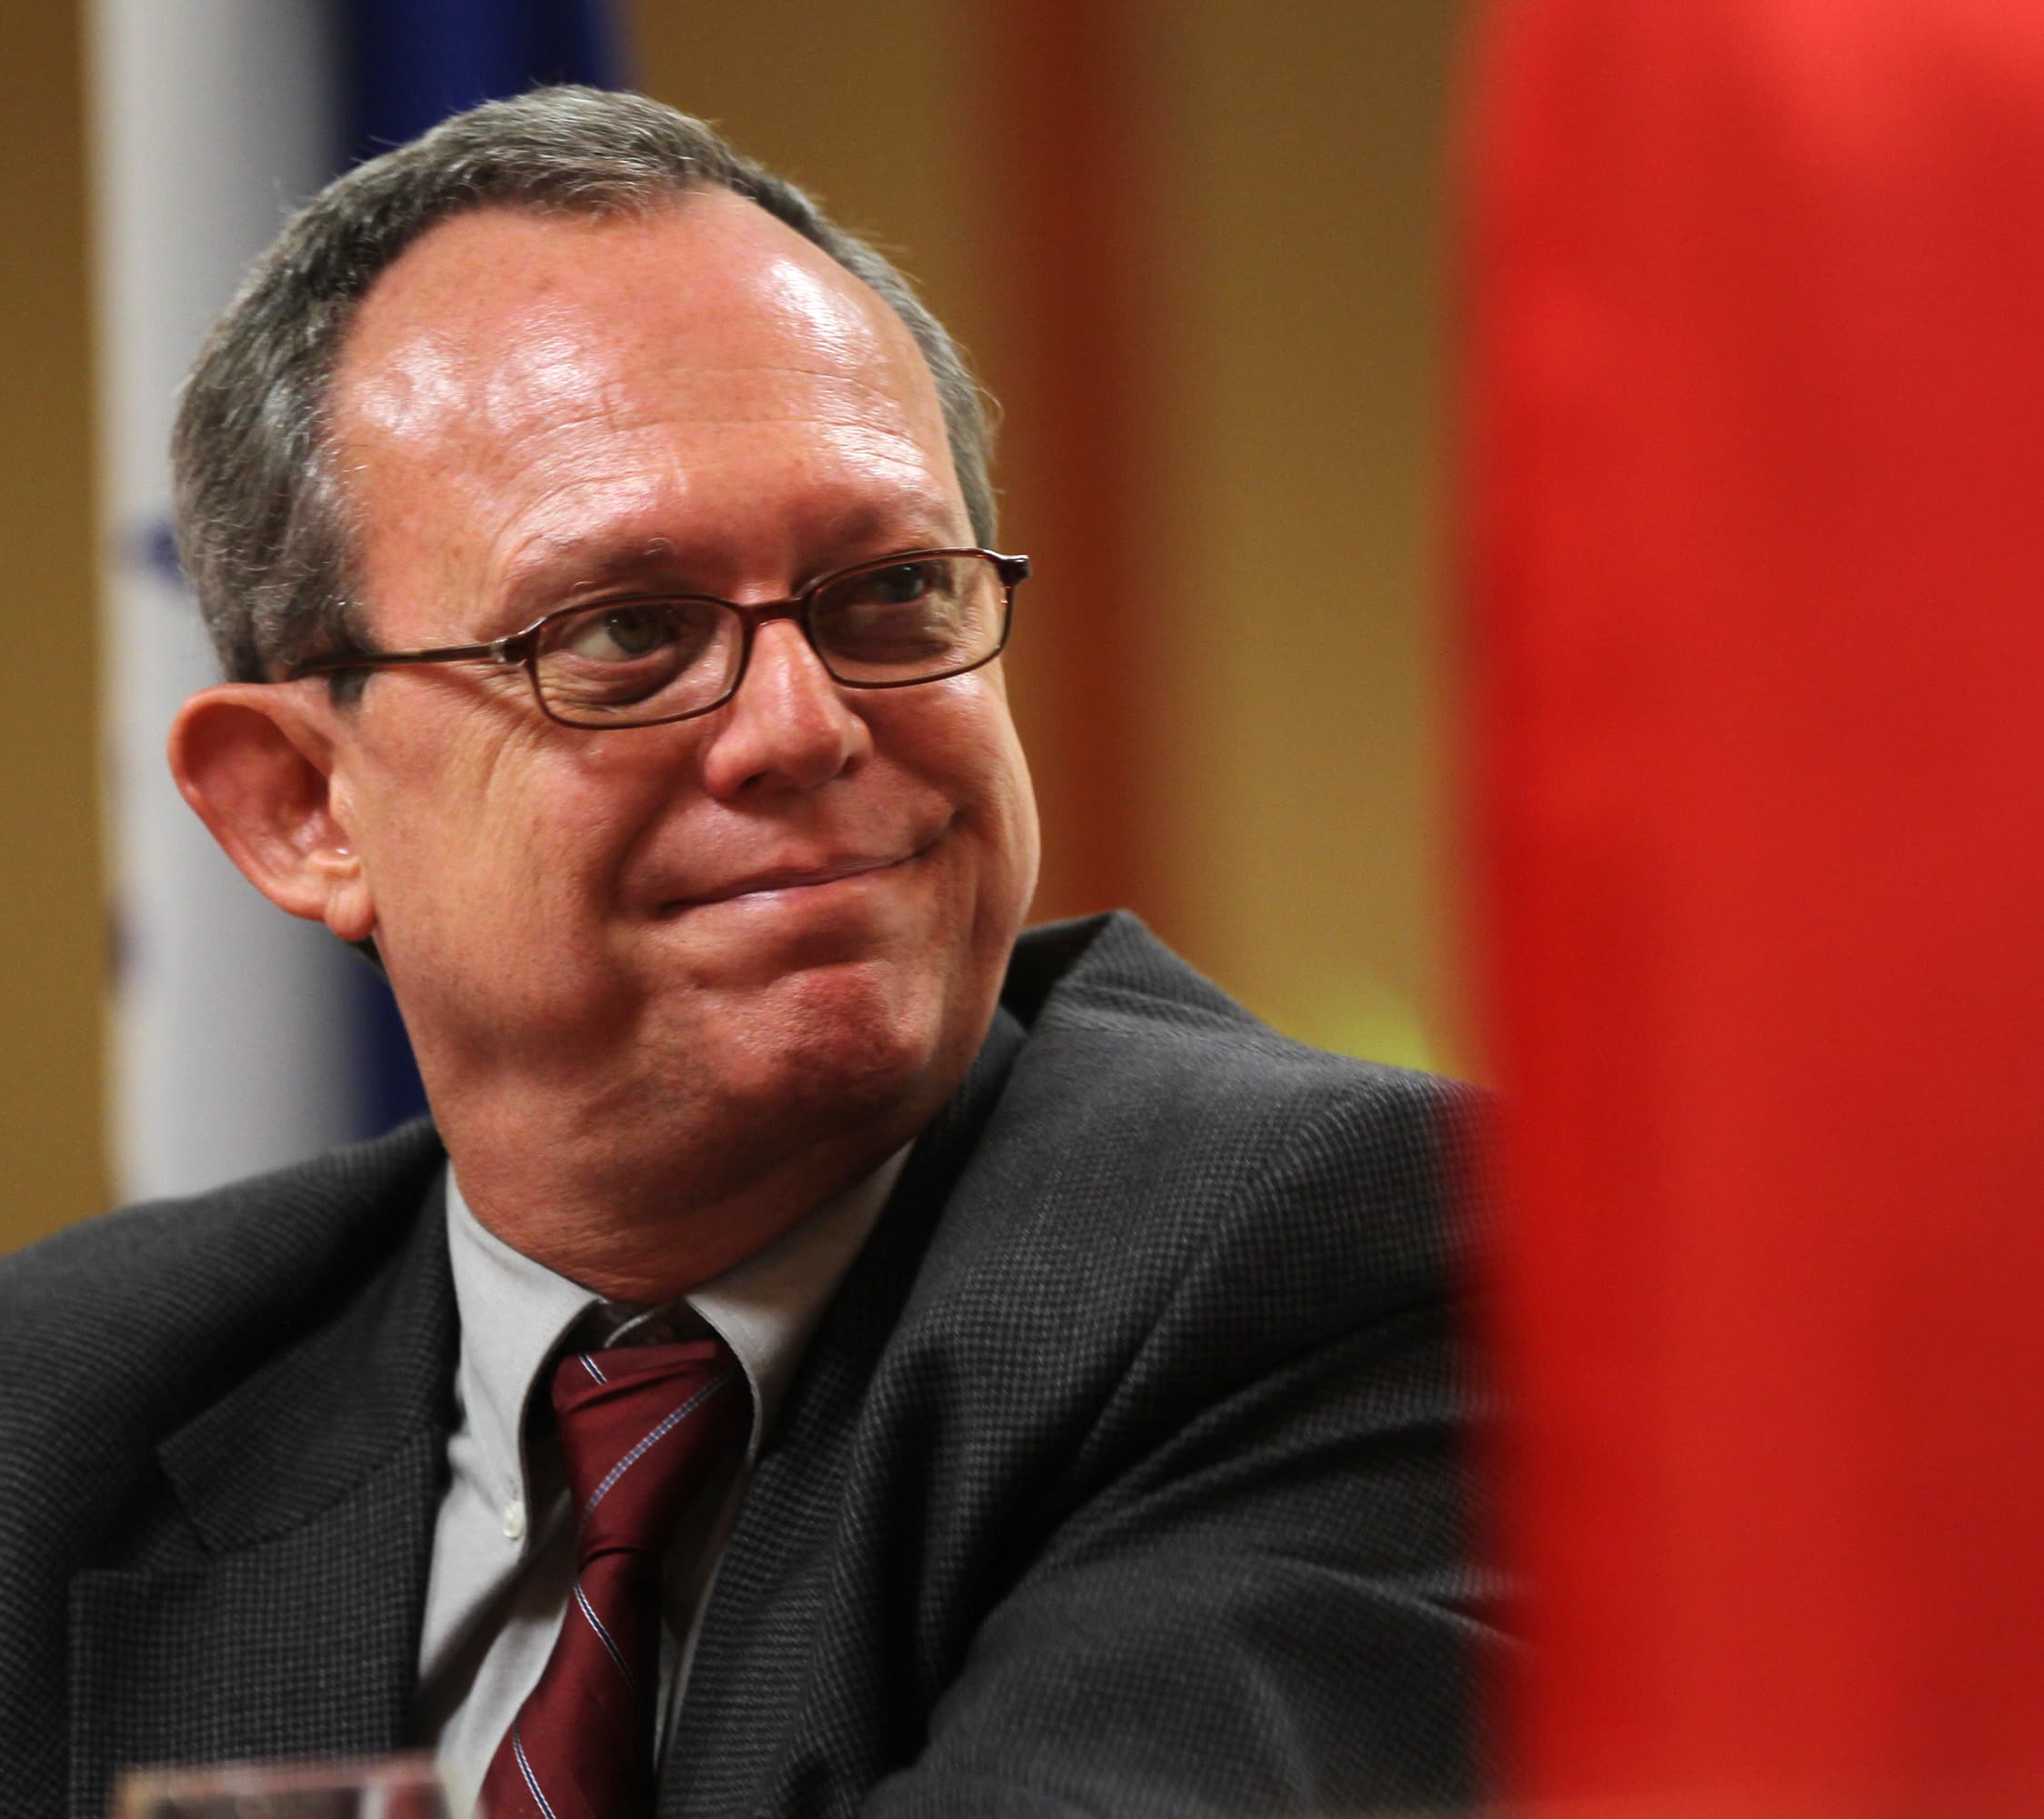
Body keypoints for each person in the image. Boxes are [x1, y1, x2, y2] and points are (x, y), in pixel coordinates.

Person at [0, 87, 1488, 1819]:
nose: (802, 726)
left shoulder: (1347, 1255)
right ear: (299, 809)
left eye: (892, 596)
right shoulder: (60, 1406)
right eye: (626, 633)